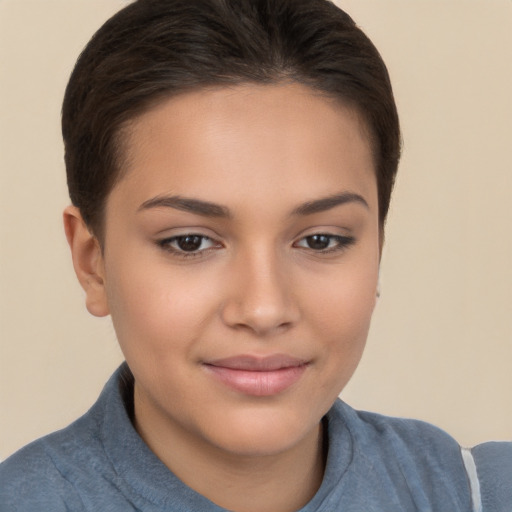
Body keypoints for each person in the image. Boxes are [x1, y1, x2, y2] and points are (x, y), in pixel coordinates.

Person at [0, 0, 510, 511]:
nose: (264, 309)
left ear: (377, 246)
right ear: (93, 263)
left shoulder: (480, 494)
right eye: (190, 242)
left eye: (320, 240)